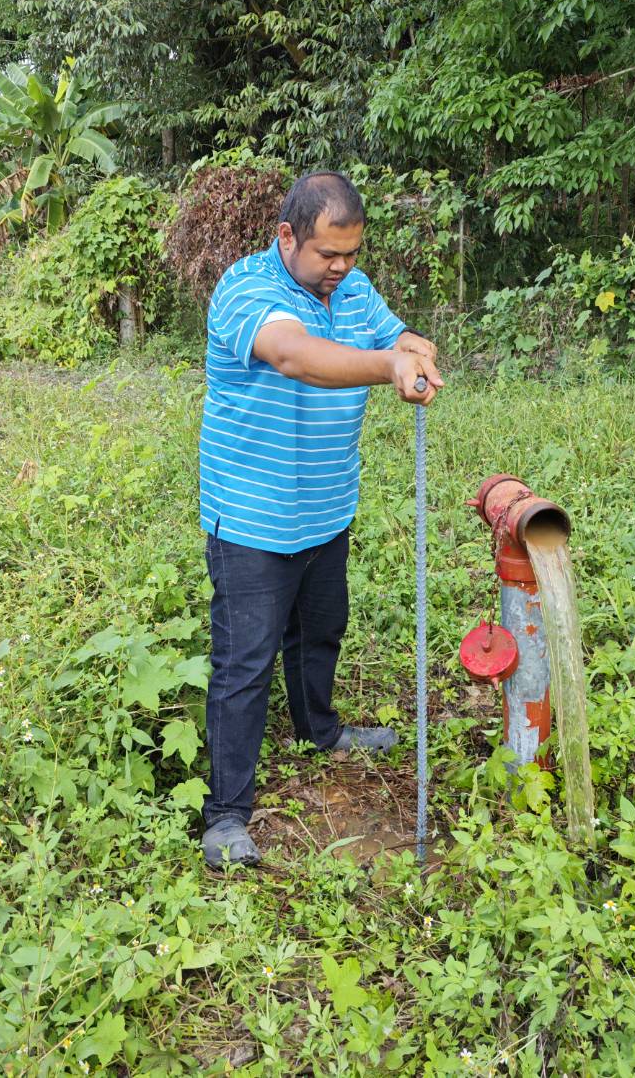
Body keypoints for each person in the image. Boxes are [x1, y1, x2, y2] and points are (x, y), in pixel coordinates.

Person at [198, 170, 444, 868]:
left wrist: (414, 346)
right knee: (243, 664)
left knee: (319, 631)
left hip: (325, 508)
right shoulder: (247, 289)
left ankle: (320, 730)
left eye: (351, 253)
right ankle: (225, 818)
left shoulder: (351, 289)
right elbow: (294, 355)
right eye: (326, 255)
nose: (340, 268)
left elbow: (392, 332)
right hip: (250, 518)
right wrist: (386, 365)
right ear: (286, 237)